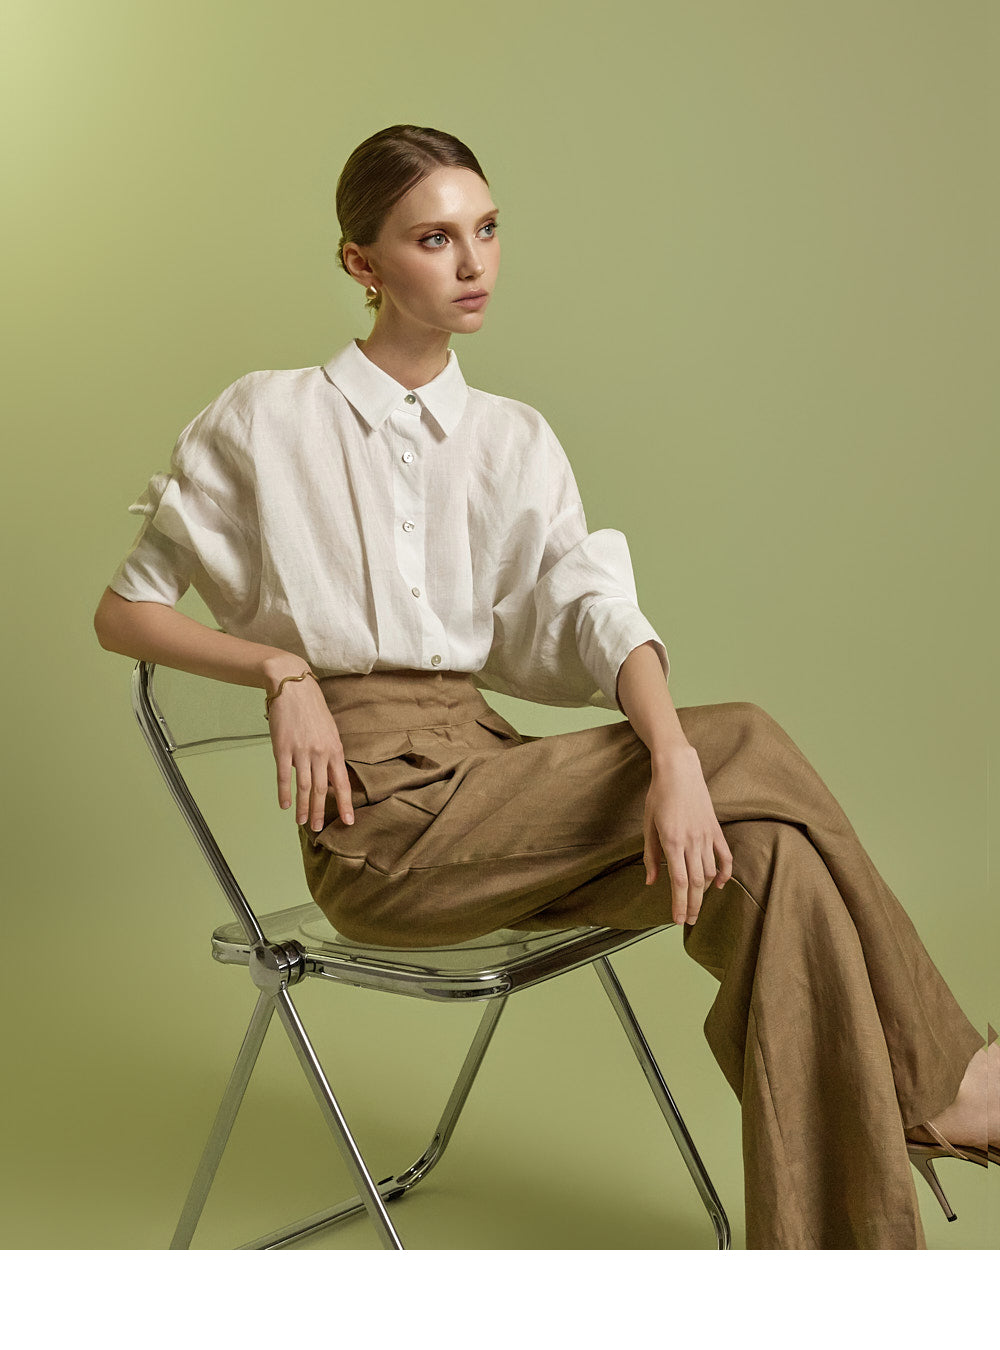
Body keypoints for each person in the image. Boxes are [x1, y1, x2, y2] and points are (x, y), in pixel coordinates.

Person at [93, 123, 996, 1249]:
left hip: (497, 788)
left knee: (772, 860)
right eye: (434, 238)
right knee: (747, 735)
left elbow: (592, 610)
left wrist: (673, 764)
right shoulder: (267, 419)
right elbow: (124, 610)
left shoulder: (511, 440)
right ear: (362, 263)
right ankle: (950, 1082)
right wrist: (281, 670)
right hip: (383, 833)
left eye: (486, 229)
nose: (473, 261)